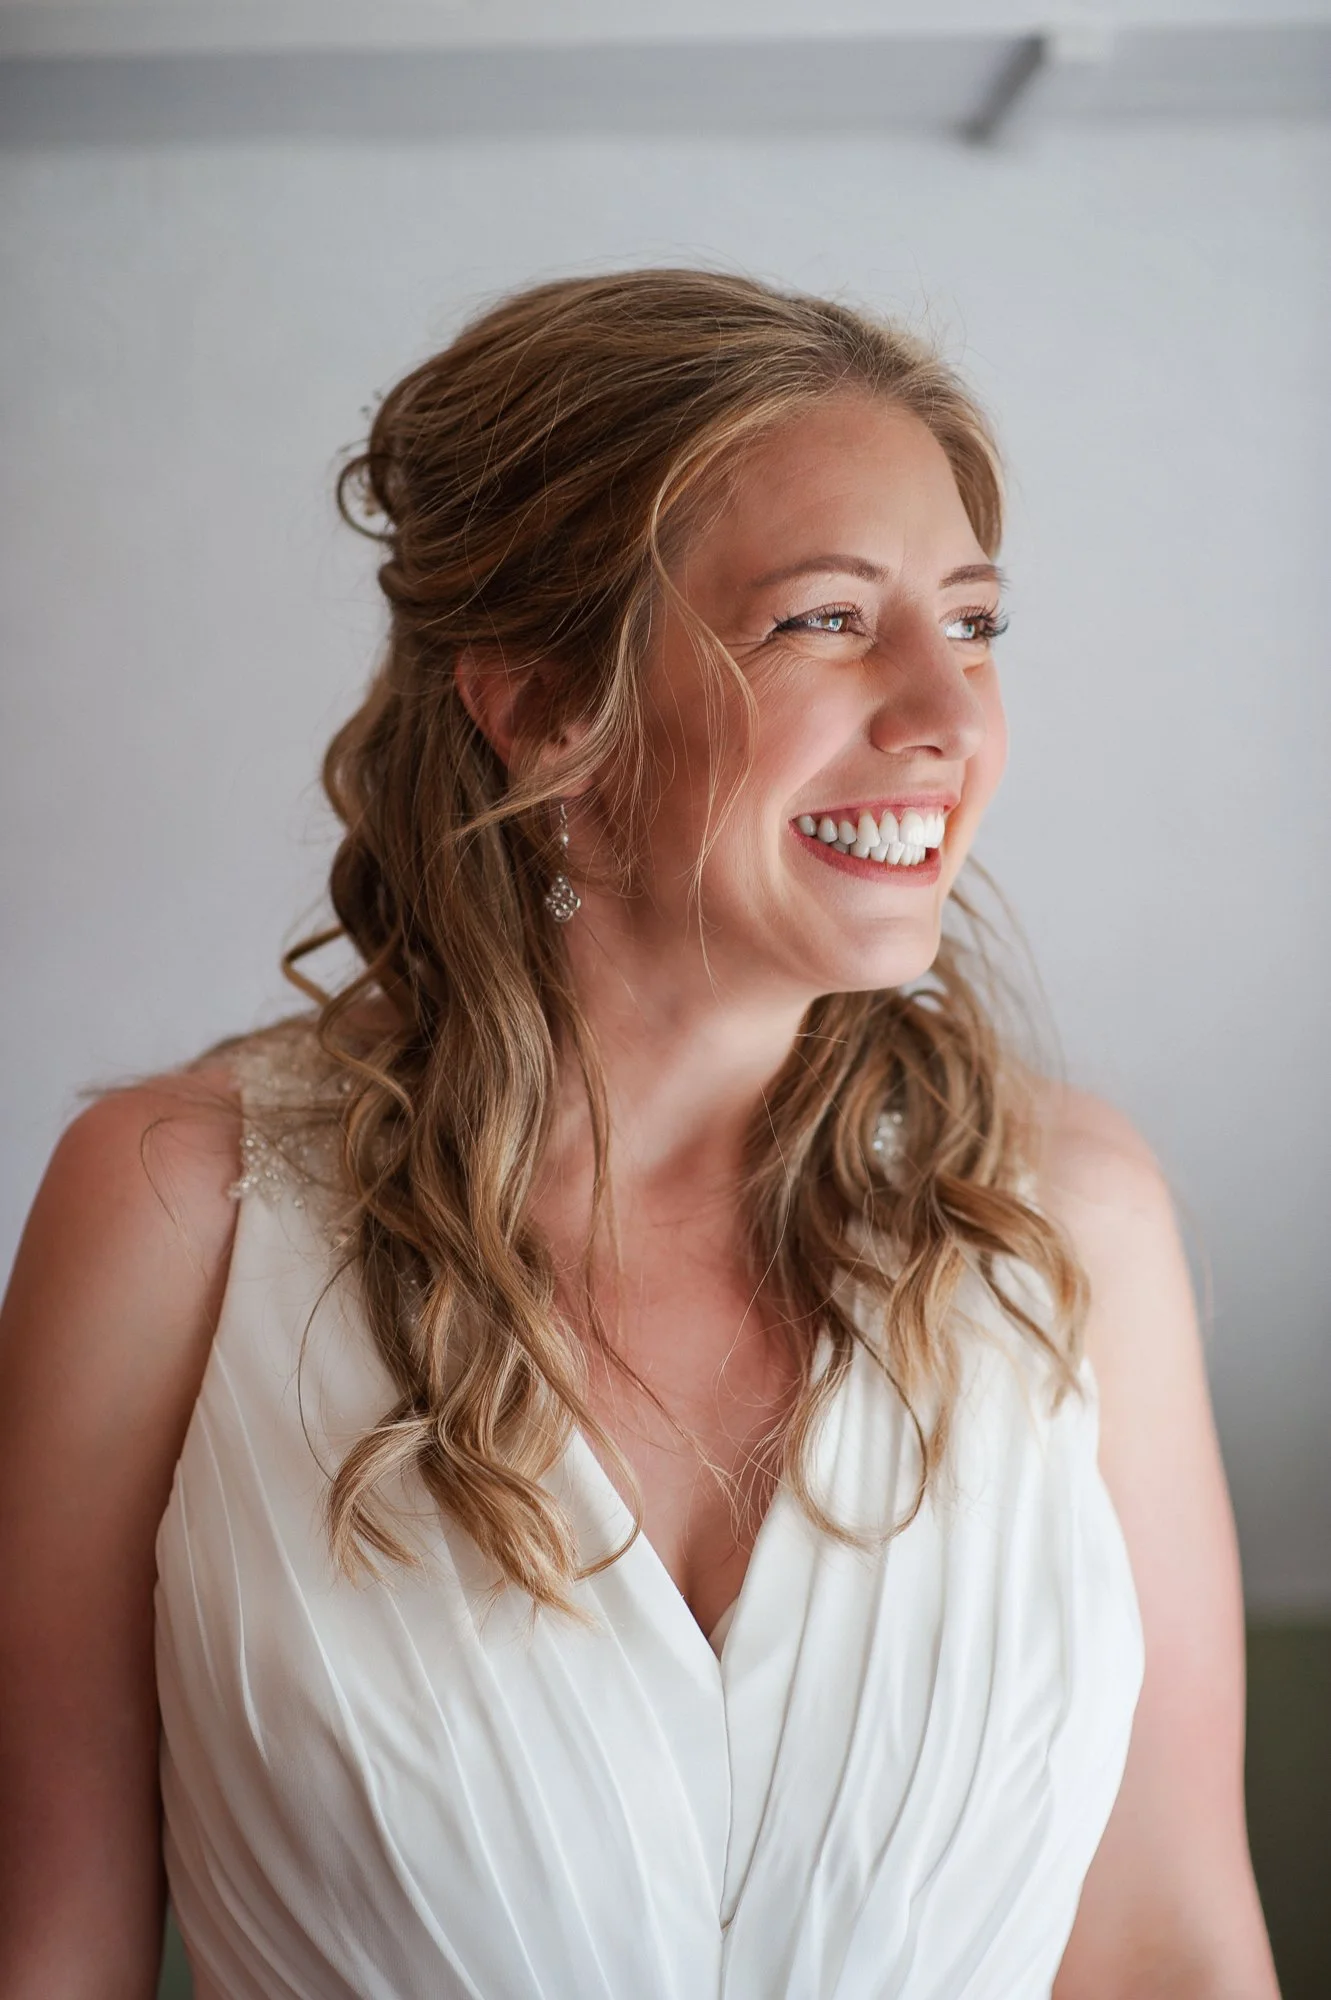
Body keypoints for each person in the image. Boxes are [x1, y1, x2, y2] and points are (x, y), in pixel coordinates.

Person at [0, 269, 1278, 2000]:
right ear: (541, 703)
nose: (946, 716)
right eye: (826, 621)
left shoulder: (1075, 1225)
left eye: (972, 625)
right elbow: (46, 1948)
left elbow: (1167, 1950)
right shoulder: (181, 1210)